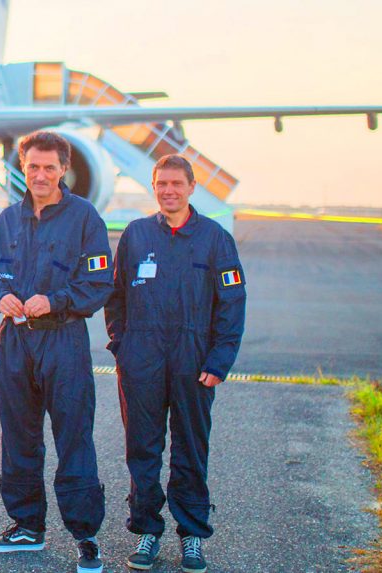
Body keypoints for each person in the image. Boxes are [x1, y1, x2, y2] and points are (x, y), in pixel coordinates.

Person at [0, 131, 113, 573]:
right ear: (23, 168)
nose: (40, 175)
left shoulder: (85, 218)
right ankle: (26, 526)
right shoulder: (7, 221)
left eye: (49, 167)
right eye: (32, 166)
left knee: (73, 436)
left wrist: (55, 300)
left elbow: (99, 283)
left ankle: (85, 535)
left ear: (63, 169)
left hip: (63, 341)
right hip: (15, 342)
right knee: (18, 437)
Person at [105, 154, 246, 572]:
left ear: (191, 188)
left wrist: (220, 360)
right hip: (141, 362)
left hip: (194, 363)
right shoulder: (135, 234)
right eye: (161, 184)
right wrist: (122, 348)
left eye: (176, 184)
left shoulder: (216, 239)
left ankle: (192, 535)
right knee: (143, 449)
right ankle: (147, 529)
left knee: (190, 450)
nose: (169, 191)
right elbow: (116, 298)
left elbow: (232, 304)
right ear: (154, 188)